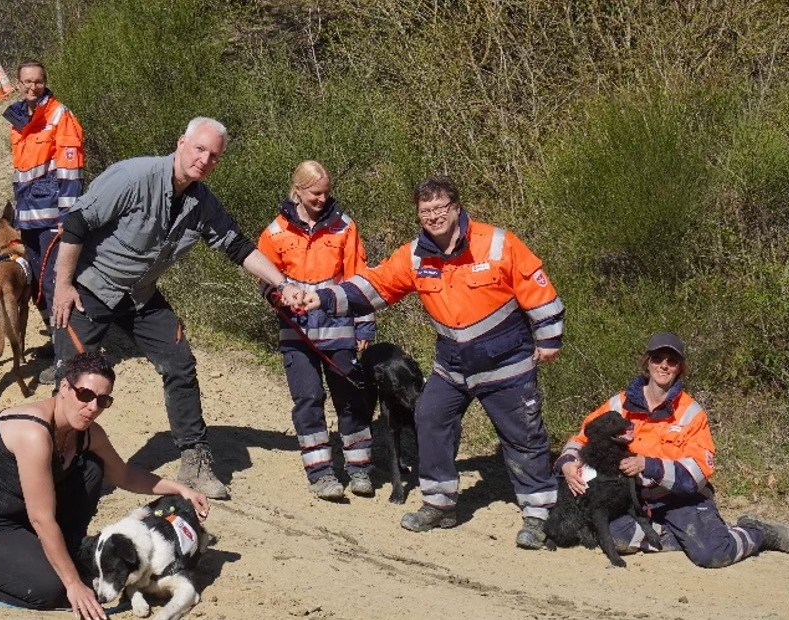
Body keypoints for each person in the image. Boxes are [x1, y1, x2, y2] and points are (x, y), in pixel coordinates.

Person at [51, 117, 305, 501]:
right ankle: (58, 463)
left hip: (139, 294)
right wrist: (63, 287)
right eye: (199, 149)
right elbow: (75, 223)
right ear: (181, 142)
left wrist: (283, 284)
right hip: (89, 285)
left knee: (179, 361)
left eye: (213, 155)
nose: (204, 159)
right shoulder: (133, 177)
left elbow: (238, 247)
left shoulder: (202, 204)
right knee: (77, 378)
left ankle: (195, 461)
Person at [302, 176, 564, 546]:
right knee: (429, 416)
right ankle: (440, 504)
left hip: (507, 363)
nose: (434, 216)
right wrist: (324, 298)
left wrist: (549, 337)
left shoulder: (497, 243)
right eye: (426, 211)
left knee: (523, 436)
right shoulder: (415, 256)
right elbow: (376, 285)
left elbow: (536, 288)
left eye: (441, 208)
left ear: (456, 208)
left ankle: (539, 516)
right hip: (453, 364)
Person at [0, 352, 209, 618]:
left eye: (103, 400)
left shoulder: (87, 434)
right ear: (65, 387)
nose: (93, 407)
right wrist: (73, 584)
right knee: (53, 589)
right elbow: (42, 518)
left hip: (21, 522)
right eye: (86, 395)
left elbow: (125, 475)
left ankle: (65, 548)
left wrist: (180, 489)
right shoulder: (33, 433)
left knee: (92, 466)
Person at [554, 332, 789, 567]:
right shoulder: (619, 404)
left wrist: (648, 465)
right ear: (647, 362)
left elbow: (699, 472)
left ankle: (756, 532)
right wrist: (567, 462)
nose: (664, 366)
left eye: (671, 361)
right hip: (636, 500)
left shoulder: (691, 412)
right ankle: (692, 536)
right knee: (615, 537)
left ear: (679, 368)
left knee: (713, 555)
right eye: (657, 358)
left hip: (680, 499)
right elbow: (582, 437)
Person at [256, 161, 376, 500]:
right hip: (297, 334)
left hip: (339, 330)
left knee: (350, 399)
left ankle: (360, 468)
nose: (322, 199)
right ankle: (321, 473)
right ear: (298, 190)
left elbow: (360, 278)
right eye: (315, 193)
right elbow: (263, 280)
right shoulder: (274, 232)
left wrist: (365, 326)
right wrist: (280, 297)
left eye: (326, 192)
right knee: (308, 400)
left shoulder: (345, 227)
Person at [2, 60, 85, 382]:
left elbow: (70, 171)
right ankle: (56, 339)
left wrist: (68, 218)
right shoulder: (19, 118)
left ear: (45, 82)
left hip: (53, 220)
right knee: (38, 286)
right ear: (19, 84)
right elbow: (24, 173)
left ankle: (67, 361)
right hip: (29, 218)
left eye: (38, 81)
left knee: (56, 286)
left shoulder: (59, 116)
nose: (32, 87)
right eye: (26, 81)